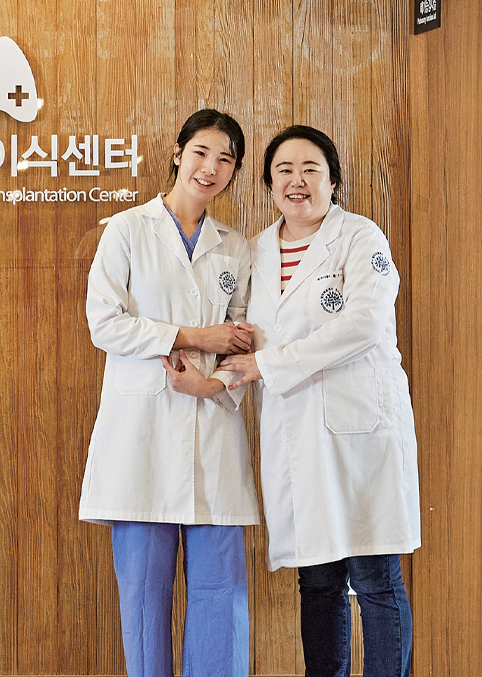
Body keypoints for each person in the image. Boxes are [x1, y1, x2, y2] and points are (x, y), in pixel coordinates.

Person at [218, 125, 419, 677]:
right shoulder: (255, 251)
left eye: (311, 169)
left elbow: (363, 324)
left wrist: (270, 364)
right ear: (268, 184)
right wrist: (209, 375)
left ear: (333, 180)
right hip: (297, 433)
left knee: (375, 576)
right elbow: (241, 335)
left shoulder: (360, 238)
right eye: (284, 170)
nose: (297, 181)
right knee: (319, 579)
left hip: (362, 432)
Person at [80, 109, 259, 677]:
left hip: (213, 432)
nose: (211, 167)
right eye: (201, 152)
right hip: (143, 438)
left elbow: (246, 339)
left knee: (221, 598)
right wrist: (193, 336)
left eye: (225, 159)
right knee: (143, 601)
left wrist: (212, 383)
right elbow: (104, 323)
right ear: (178, 153)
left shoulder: (236, 248)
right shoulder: (127, 230)